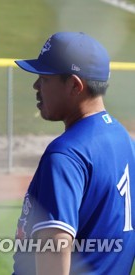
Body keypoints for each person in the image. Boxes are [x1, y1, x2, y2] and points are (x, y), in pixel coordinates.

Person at [13, 32, 135, 274]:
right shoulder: (125, 140)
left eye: (45, 78)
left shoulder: (66, 155)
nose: (36, 86)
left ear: (74, 86)